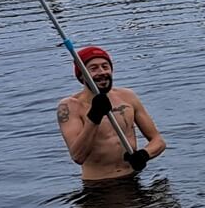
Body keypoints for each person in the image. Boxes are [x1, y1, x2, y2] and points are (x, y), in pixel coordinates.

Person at [55, 46, 166, 183]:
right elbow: (78, 156)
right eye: (93, 68)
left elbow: (158, 141)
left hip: (133, 177)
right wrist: (94, 116)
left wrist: (144, 155)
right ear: (81, 75)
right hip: (98, 185)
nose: (102, 72)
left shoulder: (127, 97)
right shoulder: (70, 106)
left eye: (105, 66)